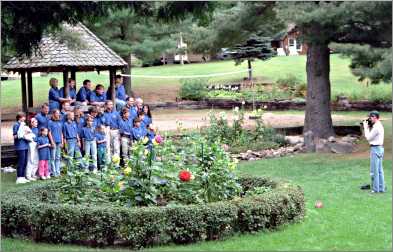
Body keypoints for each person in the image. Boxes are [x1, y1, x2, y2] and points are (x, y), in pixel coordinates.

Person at [363, 111, 385, 193]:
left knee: (374, 171)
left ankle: (375, 190)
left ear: (375, 117)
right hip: (380, 148)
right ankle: (381, 188)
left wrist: (365, 127)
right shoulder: (378, 124)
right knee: (379, 170)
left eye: (371, 117)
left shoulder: (376, 127)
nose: (369, 119)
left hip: (375, 149)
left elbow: (368, 138)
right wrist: (369, 125)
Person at [13, 112, 30, 184]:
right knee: (21, 162)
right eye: (23, 117)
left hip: (25, 145)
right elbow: (15, 136)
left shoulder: (24, 125)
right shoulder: (16, 125)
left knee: (25, 161)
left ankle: (23, 177)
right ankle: (19, 177)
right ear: (20, 117)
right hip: (20, 147)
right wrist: (22, 134)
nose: (25, 118)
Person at [48, 109, 64, 177]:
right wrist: (52, 142)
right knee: (53, 158)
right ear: (53, 114)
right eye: (57, 113)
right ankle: (53, 172)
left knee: (58, 157)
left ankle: (58, 172)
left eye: (59, 113)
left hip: (59, 142)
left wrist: (62, 142)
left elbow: (61, 132)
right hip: (54, 142)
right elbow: (49, 132)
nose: (58, 114)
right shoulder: (50, 122)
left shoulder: (60, 122)